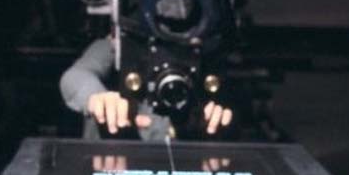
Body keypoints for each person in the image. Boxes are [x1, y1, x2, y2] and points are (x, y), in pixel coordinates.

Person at [59, 36, 232, 140]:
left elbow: (225, 104)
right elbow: (75, 76)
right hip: (112, 166)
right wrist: (98, 99)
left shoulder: (204, 54)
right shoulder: (119, 44)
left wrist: (214, 120)